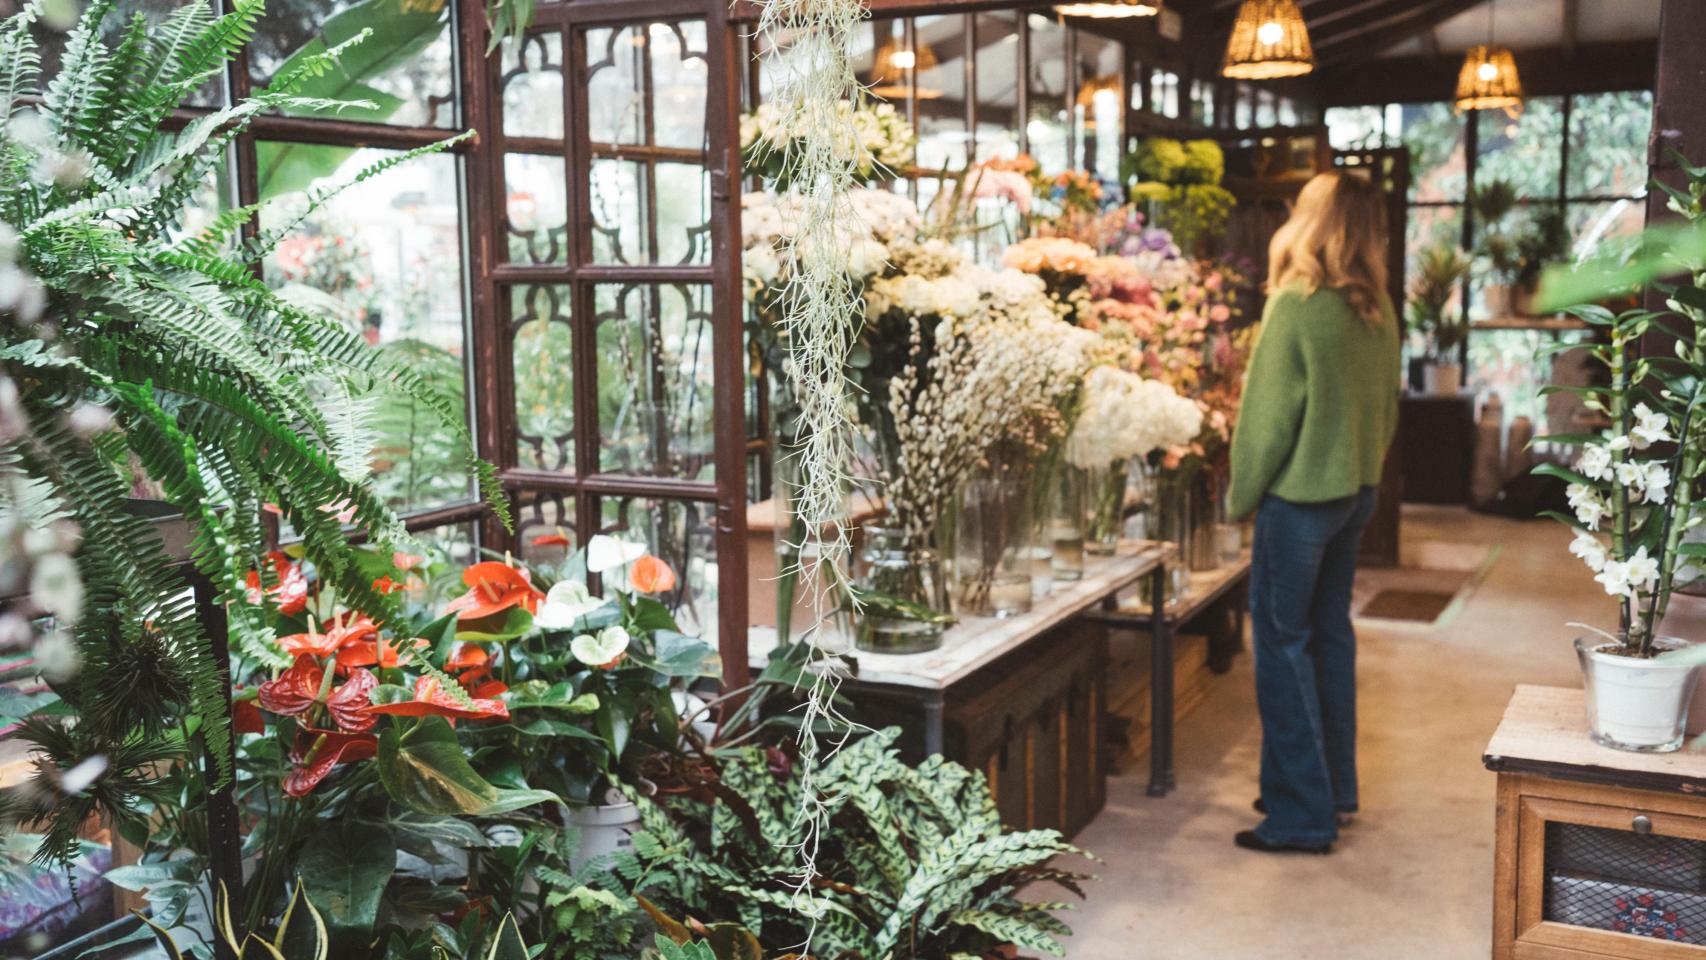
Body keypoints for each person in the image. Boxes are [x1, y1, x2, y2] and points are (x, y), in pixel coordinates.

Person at [1227, 170, 1401, 855]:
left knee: (1281, 645)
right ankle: (1332, 792)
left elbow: (1265, 422)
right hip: (1354, 493)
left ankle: (1302, 814)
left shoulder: (1299, 303)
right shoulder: (1377, 308)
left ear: (1316, 221)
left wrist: (1240, 498)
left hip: (1299, 500)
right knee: (1328, 638)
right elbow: (1387, 408)